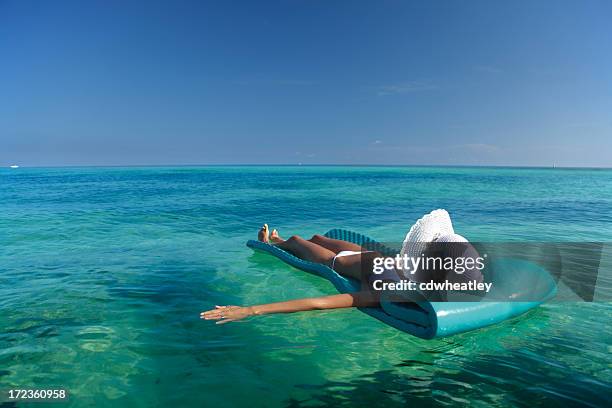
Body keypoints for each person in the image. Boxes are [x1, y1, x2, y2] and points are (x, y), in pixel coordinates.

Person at [201, 210, 484, 324]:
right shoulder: (438, 272)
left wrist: (252, 309)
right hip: (368, 253)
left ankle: (276, 242)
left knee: (302, 241)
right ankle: (280, 239)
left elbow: (321, 302)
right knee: (318, 237)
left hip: (338, 262)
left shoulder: (391, 292)